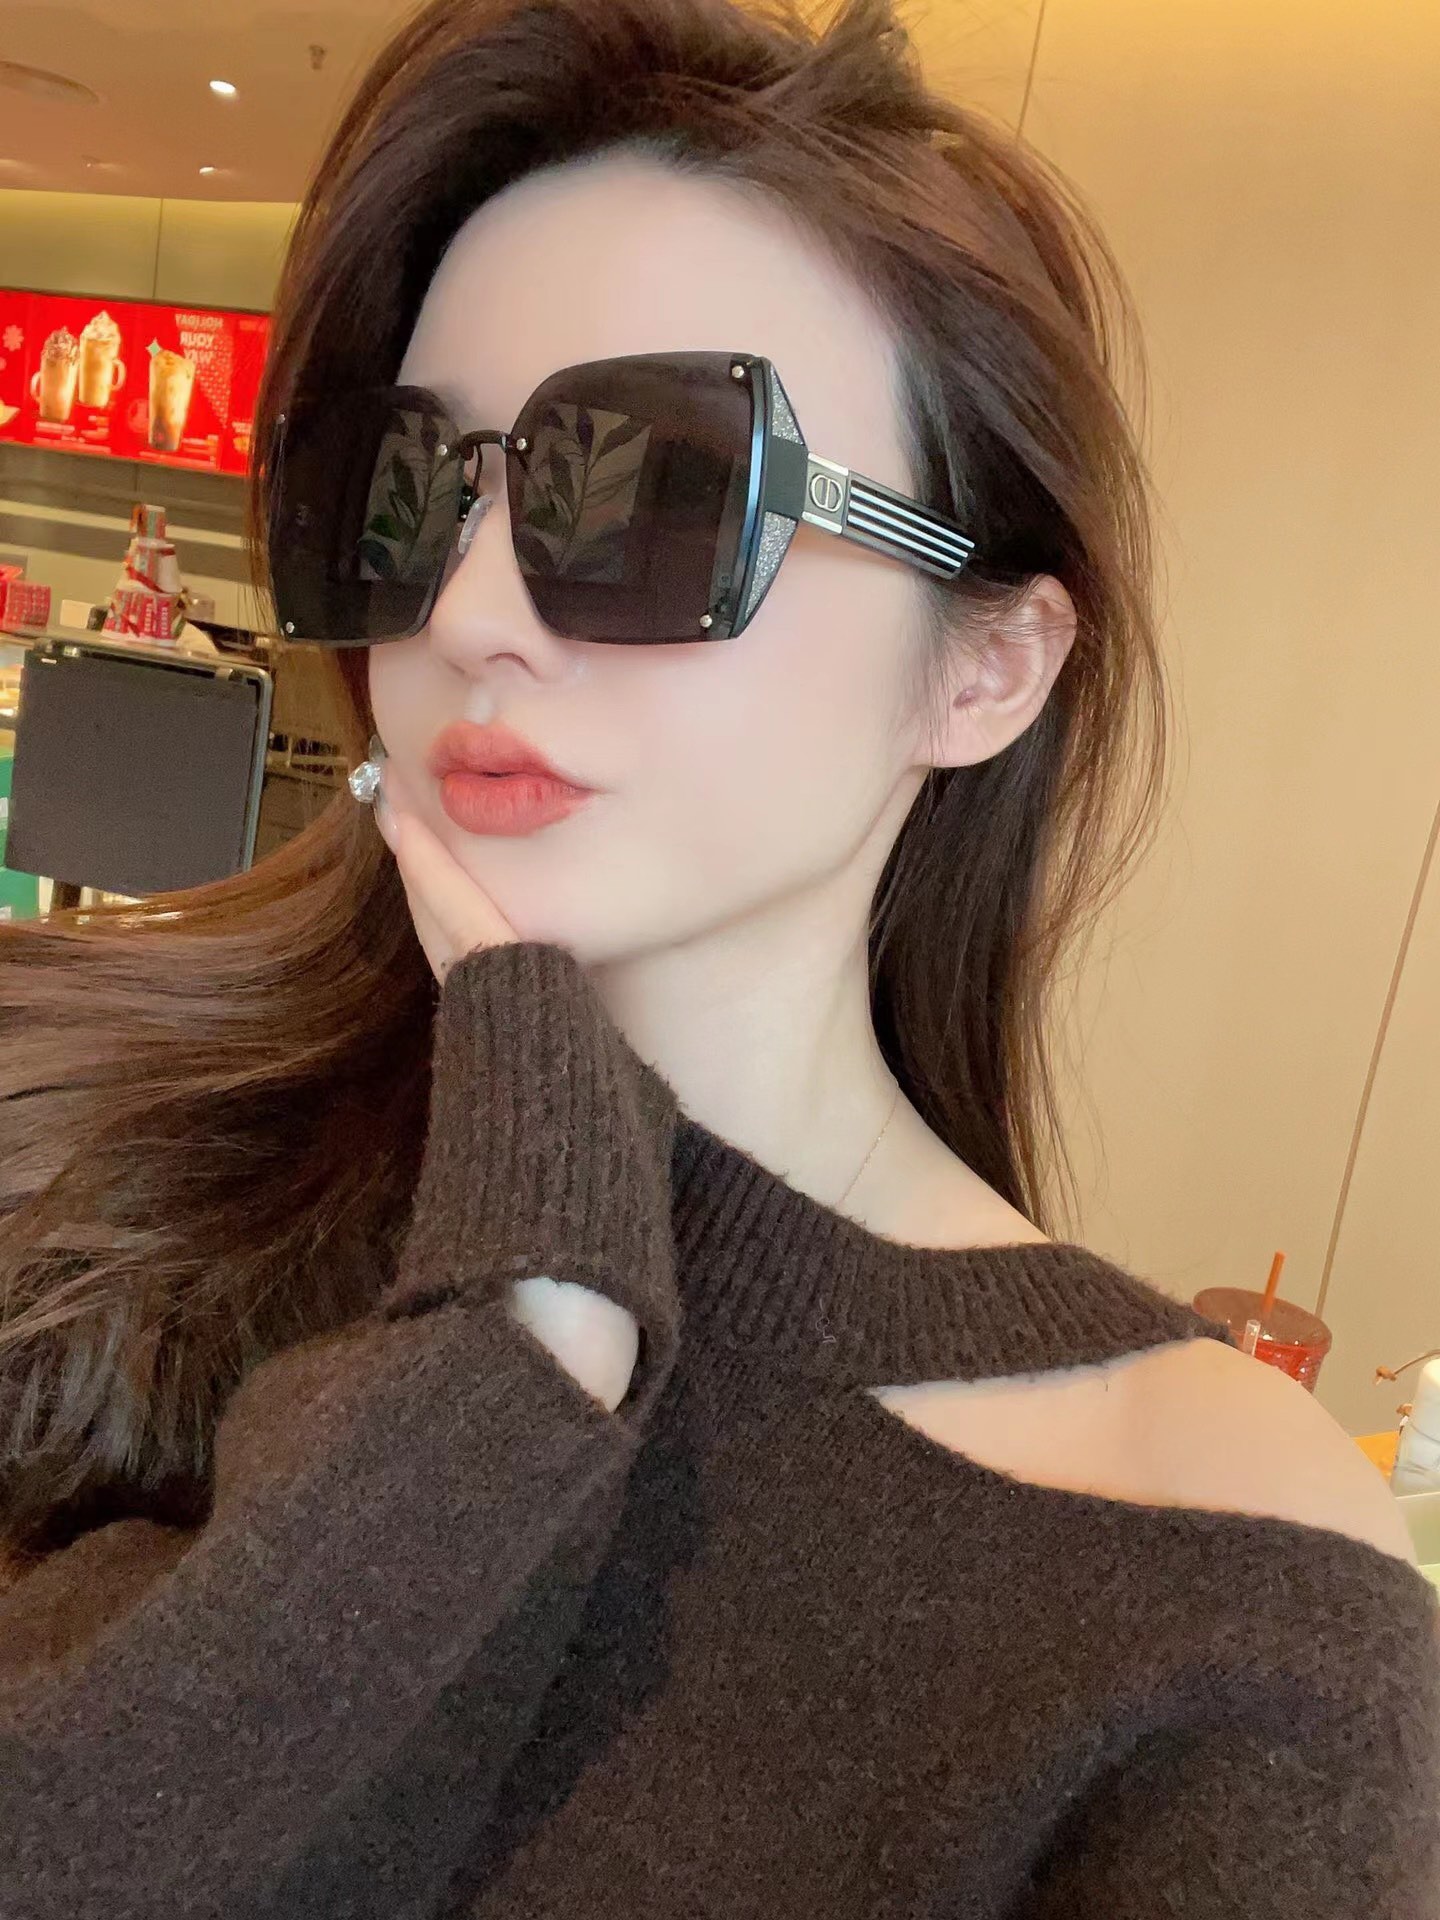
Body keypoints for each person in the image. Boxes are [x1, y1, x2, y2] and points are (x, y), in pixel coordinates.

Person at [0, 0, 1435, 1913]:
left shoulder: (1230, 1585)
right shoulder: (83, 1163)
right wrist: (507, 1367)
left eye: (658, 492)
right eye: (412, 488)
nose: (473, 608)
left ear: (986, 665)